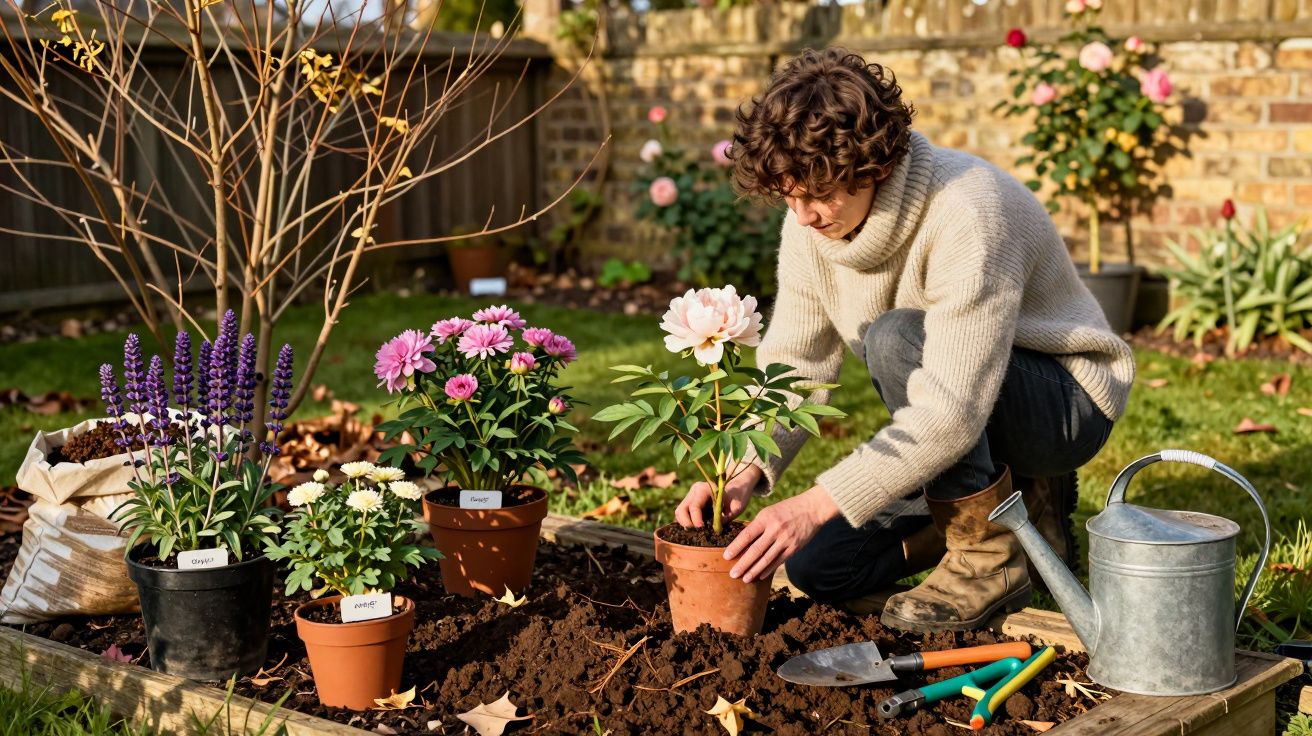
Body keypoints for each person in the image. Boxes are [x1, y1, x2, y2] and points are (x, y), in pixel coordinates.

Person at [672, 47, 1136, 633]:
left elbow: (950, 414)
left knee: (894, 338)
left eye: (818, 194)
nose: (804, 215)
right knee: (819, 568)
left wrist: (814, 504)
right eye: (789, 195)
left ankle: (986, 558)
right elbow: (795, 367)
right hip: (959, 406)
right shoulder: (809, 225)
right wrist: (743, 468)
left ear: (876, 166)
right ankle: (1021, 513)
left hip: (1061, 402)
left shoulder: (967, 210)